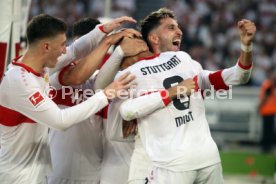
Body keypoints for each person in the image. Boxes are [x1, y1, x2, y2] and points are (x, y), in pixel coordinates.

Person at [98, 7, 256, 184]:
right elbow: (125, 113)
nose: (179, 31)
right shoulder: (175, 61)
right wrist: (175, 91)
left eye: (177, 26)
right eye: (171, 28)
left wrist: (246, 46)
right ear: (154, 38)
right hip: (190, 162)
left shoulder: (182, 59)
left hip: (181, 163)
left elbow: (238, 76)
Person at [0, 14, 137, 184]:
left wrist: (103, 31)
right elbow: (60, 120)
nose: (65, 50)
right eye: (62, 45)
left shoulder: (37, 66)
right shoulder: (21, 82)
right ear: (46, 47)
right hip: (17, 176)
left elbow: (75, 50)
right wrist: (105, 94)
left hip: (35, 172)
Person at [47, 17, 147, 184]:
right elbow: (79, 76)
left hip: (94, 173)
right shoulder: (56, 75)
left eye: (88, 48)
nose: (80, 55)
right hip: (59, 169)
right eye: (78, 48)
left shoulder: (106, 78)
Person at [258, 66, 276, 153]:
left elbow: (264, 97)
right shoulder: (269, 84)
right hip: (269, 110)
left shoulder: (267, 84)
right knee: (268, 130)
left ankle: (266, 146)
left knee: (266, 130)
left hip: (268, 110)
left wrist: (259, 106)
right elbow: (265, 97)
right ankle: (267, 146)